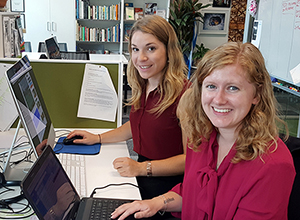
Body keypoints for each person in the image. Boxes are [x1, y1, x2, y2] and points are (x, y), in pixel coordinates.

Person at [111, 42, 296, 220]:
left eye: (233, 88)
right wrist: (156, 203)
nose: (219, 99)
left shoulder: (272, 164)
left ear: (256, 94)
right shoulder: (201, 139)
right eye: (211, 86)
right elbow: (192, 193)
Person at [67, 15, 188, 205]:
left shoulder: (184, 95)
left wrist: (141, 168)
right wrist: (97, 138)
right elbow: (137, 126)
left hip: (167, 190)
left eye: (151, 48)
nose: (141, 58)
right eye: (135, 49)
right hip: (141, 175)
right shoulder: (144, 83)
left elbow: (189, 160)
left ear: (169, 51)